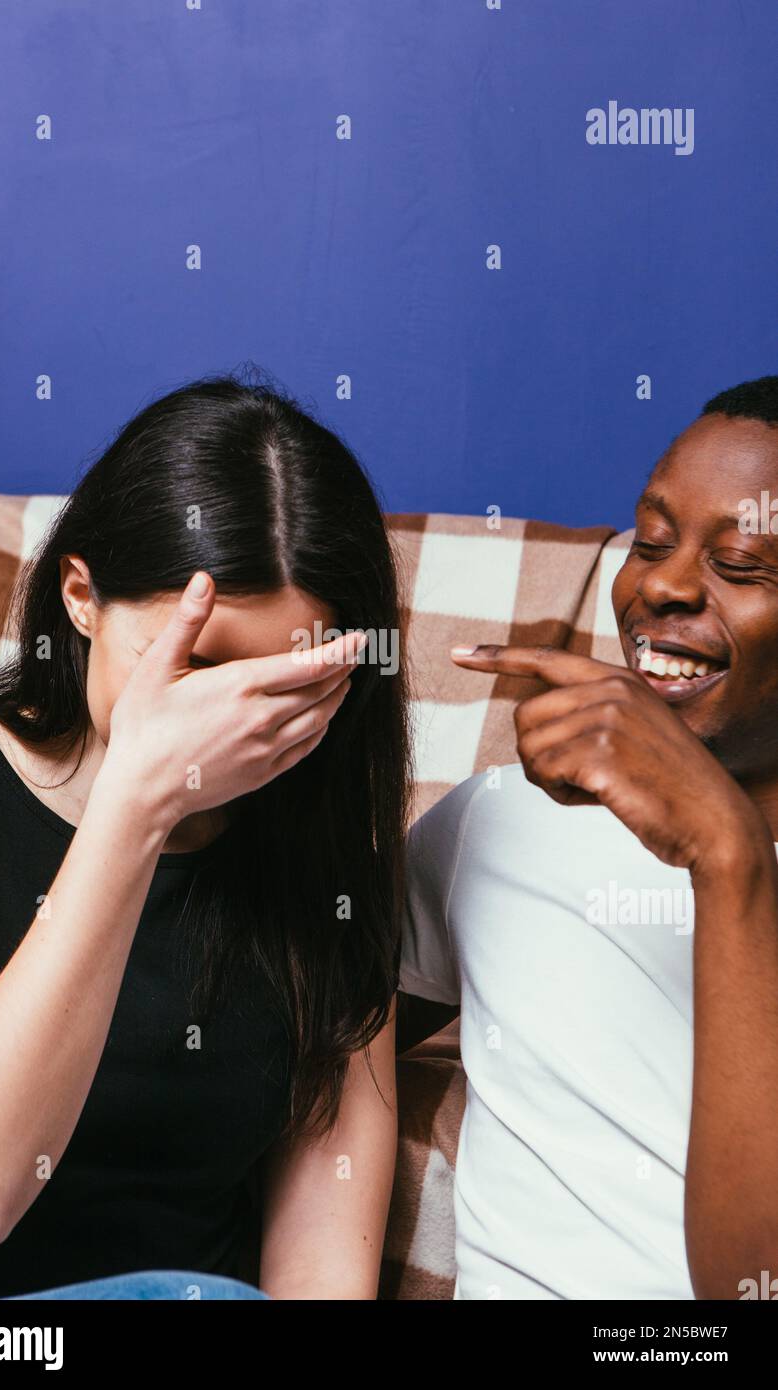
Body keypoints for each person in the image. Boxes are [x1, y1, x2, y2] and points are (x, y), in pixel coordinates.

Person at [0, 370, 410, 1300]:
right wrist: (137, 804)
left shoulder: (328, 871)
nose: (232, 718)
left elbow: (322, 1269)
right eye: (198, 664)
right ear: (82, 598)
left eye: (284, 685)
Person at [398, 374, 778, 1301]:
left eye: (739, 565)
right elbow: (295, 1043)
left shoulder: (736, 863)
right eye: (649, 541)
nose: (665, 584)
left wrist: (730, 857)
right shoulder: (504, 820)